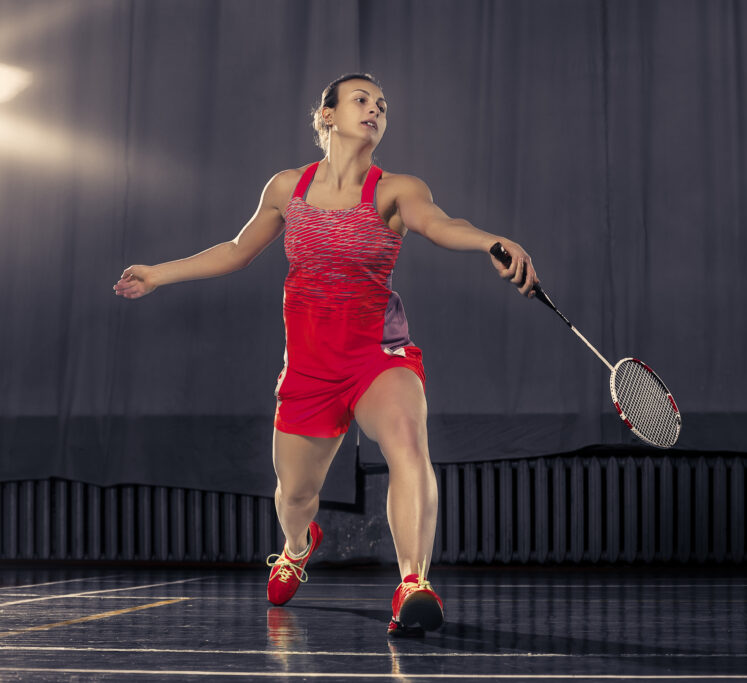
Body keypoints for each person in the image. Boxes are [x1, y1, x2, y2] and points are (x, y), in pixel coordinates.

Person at [113, 73, 539, 636]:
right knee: (295, 496)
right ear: (327, 115)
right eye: (362, 100)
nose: (375, 109)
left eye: (382, 104)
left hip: (377, 356)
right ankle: (296, 545)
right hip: (311, 369)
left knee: (409, 446)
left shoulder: (396, 190)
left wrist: (491, 241)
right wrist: (158, 274)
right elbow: (239, 250)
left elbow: (440, 224)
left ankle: (414, 585)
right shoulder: (287, 187)